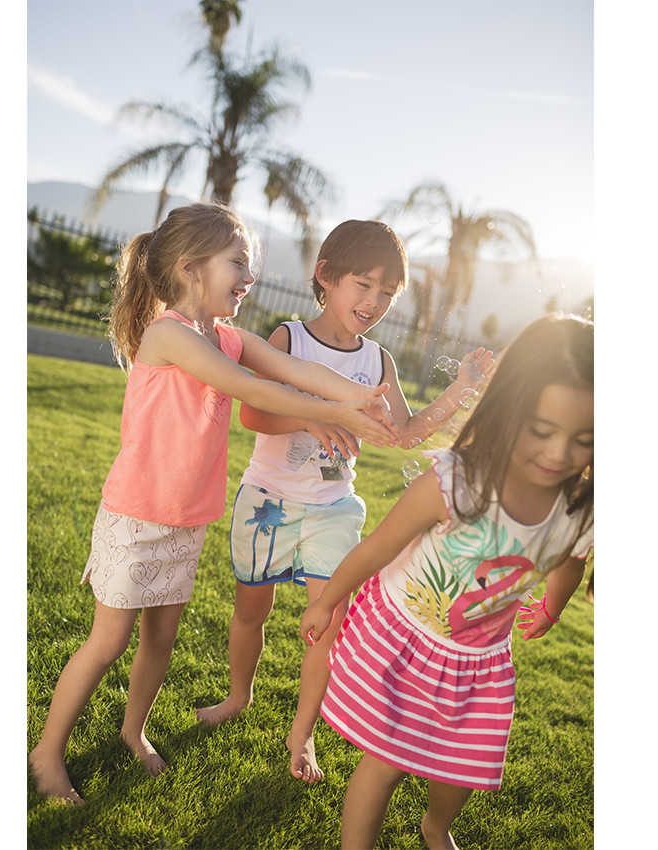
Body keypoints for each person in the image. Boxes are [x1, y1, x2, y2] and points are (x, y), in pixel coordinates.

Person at [28, 203, 403, 805]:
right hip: (135, 515)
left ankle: (133, 731)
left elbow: (293, 370)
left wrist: (365, 399)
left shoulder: (226, 335)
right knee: (109, 640)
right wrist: (335, 412)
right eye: (238, 263)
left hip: (186, 519)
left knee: (160, 640)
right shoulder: (168, 333)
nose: (249, 277)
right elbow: (250, 387)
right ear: (190, 267)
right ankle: (47, 754)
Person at [195, 219, 494, 786]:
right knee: (251, 610)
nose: (375, 301)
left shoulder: (379, 362)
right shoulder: (289, 339)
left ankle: (301, 735)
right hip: (268, 502)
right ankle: (238, 696)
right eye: (364, 284)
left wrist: (461, 389)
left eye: (388, 292)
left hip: (333, 508)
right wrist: (315, 416)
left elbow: (406, 433)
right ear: (326, 276)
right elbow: (253, 413)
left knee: (327, 622)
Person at [299, 313, 594, 850]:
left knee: (461, 769)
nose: (558, 454)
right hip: (408, 640)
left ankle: (436, 827)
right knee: (386, 765)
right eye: (541, 430)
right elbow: (377, 547)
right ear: (509, 408)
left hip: (479, 661)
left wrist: (552, 607)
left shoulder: (580, 510)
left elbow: (572, 562)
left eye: (584, 439)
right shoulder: (455, 482)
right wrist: (328, 601)